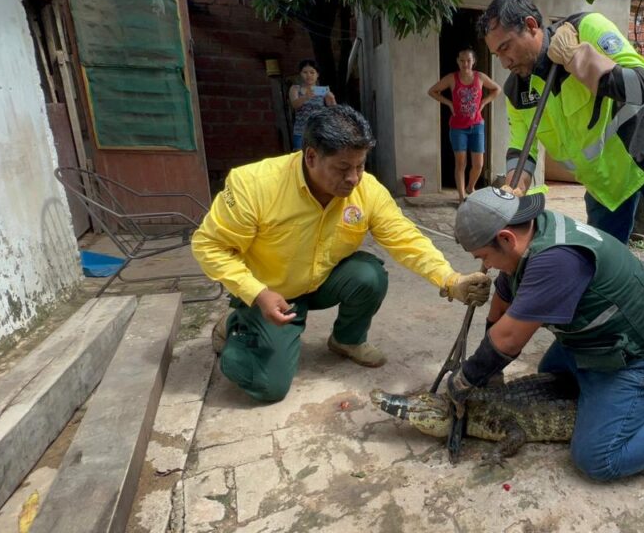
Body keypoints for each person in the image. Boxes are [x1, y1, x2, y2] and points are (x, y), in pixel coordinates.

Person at [476, 0, 644, 395]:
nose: (503, 60)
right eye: (496, 53)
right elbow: (523, 148)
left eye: (506, 48)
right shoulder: (520, 89)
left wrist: (579, 60)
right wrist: (513, 186)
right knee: (594, 261)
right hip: (604, 178)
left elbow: (639, 86)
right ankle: (598, 342)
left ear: (531, 27)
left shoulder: (586, 29)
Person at [192, 105, 491, 403]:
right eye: (343, 168)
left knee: (369, 275)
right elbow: (209, 246)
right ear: (311, 156)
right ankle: (235, 326)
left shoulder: (367, 190)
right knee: (269, 386)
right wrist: (256, 293)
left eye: (360, 166)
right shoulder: (254, 185)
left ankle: (346, 340)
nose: (354, 178)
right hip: (271, 294)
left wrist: (451, 280)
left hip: (320, 280)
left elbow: (406, 239)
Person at [446, 188, 644, 481]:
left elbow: (509, 339)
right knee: (549, 375)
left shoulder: (555, 260)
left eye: (484, 256)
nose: (485, 266)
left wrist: (465, 379)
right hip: (598, 341)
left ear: (506, 238)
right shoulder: (535, 230)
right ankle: (605, 408)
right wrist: (490, 372)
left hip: (643, 356)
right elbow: (503, 298)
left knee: (598, 458)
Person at [427, 47, 502, 202]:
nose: (465, 63)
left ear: (473, 61)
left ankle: (470, 186)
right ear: (457, 61)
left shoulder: (480, 77)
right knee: (461, 163)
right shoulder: (451, 78)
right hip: (458, 127)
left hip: (477, 126)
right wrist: (449, 104)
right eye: (462, 60)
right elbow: (432, 91)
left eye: (468, 60)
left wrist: (483, 103)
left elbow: (497, 89)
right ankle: (462, 196)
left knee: (479, 165)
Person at [288, 59, 336, 150]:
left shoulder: (323, 90)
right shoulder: (295, 88)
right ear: (300, 74)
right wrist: (306, 96)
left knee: (319, 157)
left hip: (320, 131)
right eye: (305, 72)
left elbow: (334, 111)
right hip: (301, 131)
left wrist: (332, 98)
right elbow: (295, 105)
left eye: (312, 72)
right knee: (300, 157)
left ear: (317, 75)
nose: (308, 75)